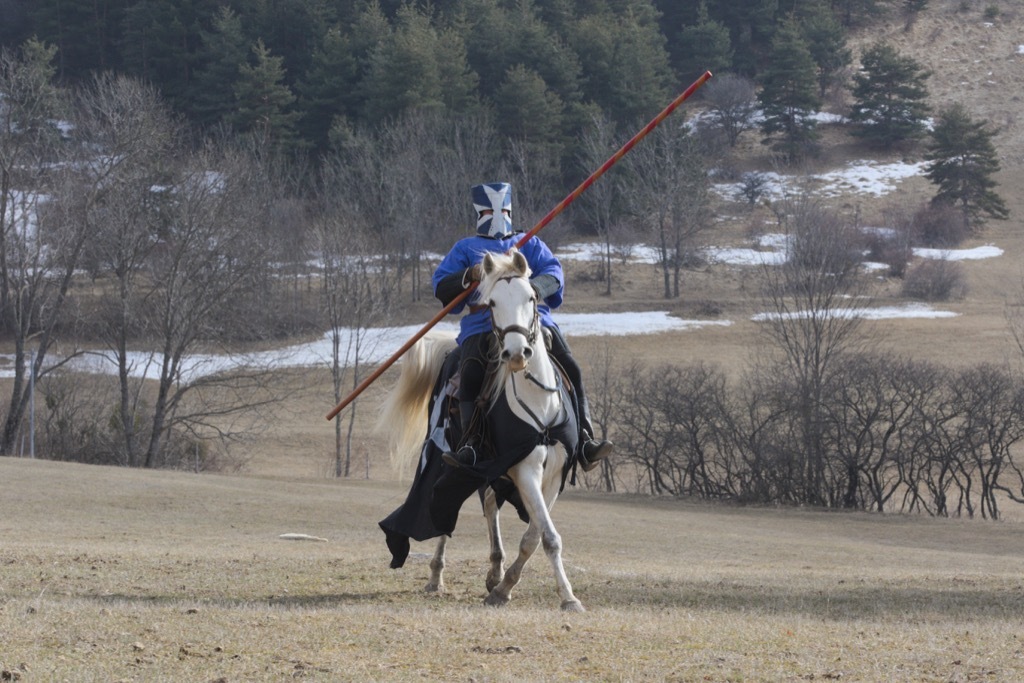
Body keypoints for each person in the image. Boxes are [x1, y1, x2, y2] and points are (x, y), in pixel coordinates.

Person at [432, 181, 613, 473]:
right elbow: (441, 284)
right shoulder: (465, 248)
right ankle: (471, 445)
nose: (498, 216)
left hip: (532, 320)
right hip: (482, 323)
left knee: (571, 368)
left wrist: (533, 289)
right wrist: (470, 274)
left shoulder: (529, 243)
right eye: (490, 211)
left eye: (503, 210)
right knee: (471, 374)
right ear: (479, 212)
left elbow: (554, 272)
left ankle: (584, 440)